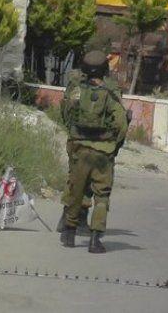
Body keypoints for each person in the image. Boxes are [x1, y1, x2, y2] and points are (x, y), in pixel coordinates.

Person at [59, 51, 129, 253]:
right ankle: (95, 240)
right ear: (104, 70)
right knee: (102, 196)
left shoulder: (76, 90)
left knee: (76, 190)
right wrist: (114, 146)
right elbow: (121, 124)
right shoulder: (110, 93)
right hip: (103, 152)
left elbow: (66, 113)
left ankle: (69, 233)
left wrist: (75, 136)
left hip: (79, 148)